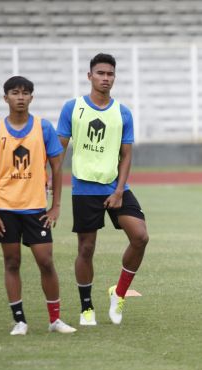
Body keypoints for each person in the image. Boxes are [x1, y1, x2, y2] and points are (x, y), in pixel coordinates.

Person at [57, 53, 149, 326]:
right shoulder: (72, 108)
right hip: (84, 189)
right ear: (90, 76)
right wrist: (49, 179)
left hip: (115, 187)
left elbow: (127, 155)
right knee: (86, 249)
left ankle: (118, 294)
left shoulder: (122, 113)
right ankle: (86, 309)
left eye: (110, 74)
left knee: (140, 237)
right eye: (100, 73)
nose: (105, 78)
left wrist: (120, 190)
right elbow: (59, 149)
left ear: (114, 77)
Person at [0, 76, 76, 335]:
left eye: (25, 93)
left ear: (32, 97)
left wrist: (55, 205)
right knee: (11, 262)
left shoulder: (43, 128)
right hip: (6, 209)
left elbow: (57, 167)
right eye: (15, 92)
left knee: (46, 261)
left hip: (36, 209)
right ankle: (20, 320)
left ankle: (54, 320)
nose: (20, 97)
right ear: (6, 98)